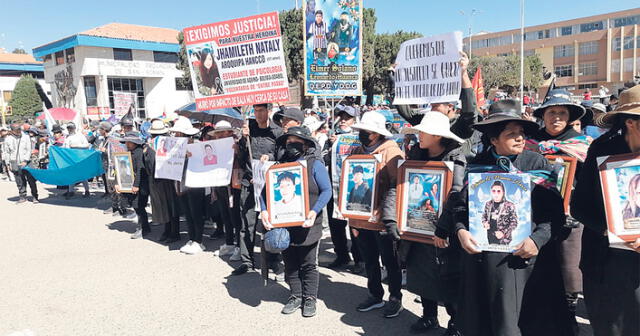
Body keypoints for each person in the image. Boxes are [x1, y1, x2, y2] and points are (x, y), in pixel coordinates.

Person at [454, 99, 573, 336]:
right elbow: (460, 207)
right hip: (486, 264)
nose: (520, 138)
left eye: (521, 133)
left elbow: (555, 213)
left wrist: (537, 240)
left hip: (527, 260)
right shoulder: (477, 166)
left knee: (528, 321)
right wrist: (460, 230)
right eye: (511, 134)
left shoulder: (535, 163)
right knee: (489, 321)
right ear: (494, 139)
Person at [572, 85, 640, 336]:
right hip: (606, 261)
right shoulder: (602, 149)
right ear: (632, 123)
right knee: (611, 326)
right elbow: (579, 207)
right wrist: (614, 229)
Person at [400, 111, 467, 335]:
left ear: (438, 136)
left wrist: (445, 227)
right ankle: (429, 316)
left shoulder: (455, 158)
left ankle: (456, 322)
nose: (419, 135)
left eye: (424, 131)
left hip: (444, 230)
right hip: (418, 227)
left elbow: (456, 195)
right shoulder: (416, 155)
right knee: (421, 274)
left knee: (447, 277)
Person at [529, 88, 589, 323]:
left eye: (562, 112)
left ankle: (569, 316)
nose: (556, 117)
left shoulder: (582, 145)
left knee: (569, 270)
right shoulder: (530, 143)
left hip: (570, 217)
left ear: (569, 116)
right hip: (537, 216)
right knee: (539, 269)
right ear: (543, 115)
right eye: (551, 111)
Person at [260, 126, 332, 317]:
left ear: (306, 144)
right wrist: (265, 212)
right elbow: (263, 194)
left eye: (296, 142)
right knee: (290, 262)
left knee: (308, 263)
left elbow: (327, 191)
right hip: (285, 223)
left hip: (309, 223)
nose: (291, 145)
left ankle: (310, 298)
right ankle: (296, 295)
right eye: (288, 142)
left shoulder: (314, 164)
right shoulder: (278, 167)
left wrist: (314, 211)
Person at [349, 111, 406, 318]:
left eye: (368, 130)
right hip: (360, 218)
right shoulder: (357, 150)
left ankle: (395, 297)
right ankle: (375, 294)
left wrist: (388, 215)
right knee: (370, 259)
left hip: (382, 220)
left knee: (390, 260)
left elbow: (397, 186)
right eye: (362, 130)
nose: (364, 133)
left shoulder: (392, 152)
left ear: (378, 133)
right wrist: (351, 217)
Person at [393, 51, 480, 160]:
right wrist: (398, 81)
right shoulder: (426, 121)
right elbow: (405, 111)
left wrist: (463, 73)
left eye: (436, 105)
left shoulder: (460, 126)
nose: (431, 107)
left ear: (450, 107)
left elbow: (470, 113)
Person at [146, 119, 181, 243]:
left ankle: (174, 232)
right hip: (158, 178)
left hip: (168, 178)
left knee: (171, 206)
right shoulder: (150, 145)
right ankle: (168, 230)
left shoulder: (169, 143)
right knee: (163, 206)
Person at [116, 131, 150, 239]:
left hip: (140, 185)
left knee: (139, 207)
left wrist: (136, 185)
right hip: (130, 183)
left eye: (128, 142)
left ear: (134, 142)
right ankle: (145, 227)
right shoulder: (130, 152)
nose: (126, 144)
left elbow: (140, 170)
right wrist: (119, 183)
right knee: (137, 207)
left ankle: (141, 228)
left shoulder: (139, 152)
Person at [4, 123, 37, 203]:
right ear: (12, 131)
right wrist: (8, 164)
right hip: (14, 162)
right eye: (16, 130)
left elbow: (29, 149)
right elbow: (6, 152)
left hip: (26, 161)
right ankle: (22, 196)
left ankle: (35, 196)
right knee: (19, 181)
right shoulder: (8, 139)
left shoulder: (25, 137)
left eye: (19, 129)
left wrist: (25, 161)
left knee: (31, 179)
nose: (19, 131)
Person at [482, 181, 518, 245]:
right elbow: (484, 216)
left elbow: (514, 222)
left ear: (503, 192)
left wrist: (503, 232)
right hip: (490, 236)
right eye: (493, 191)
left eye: (498, 191)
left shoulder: (509, 205)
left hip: (504, 238)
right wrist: (485, 222)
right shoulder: (488, 204)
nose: (496, 194)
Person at [63, 122, 91, 199]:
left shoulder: (80, 136)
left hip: (80, 158)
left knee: (82, 175)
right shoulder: (67, 137)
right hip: (71, 159)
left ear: (74, 128)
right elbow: (66, 148)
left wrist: (76, 146)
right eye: (68, 128)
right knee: (71, 175)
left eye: (71, 128)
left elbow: (87, 145)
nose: (69, 129)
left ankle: (87, 191)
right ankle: (71, 191)